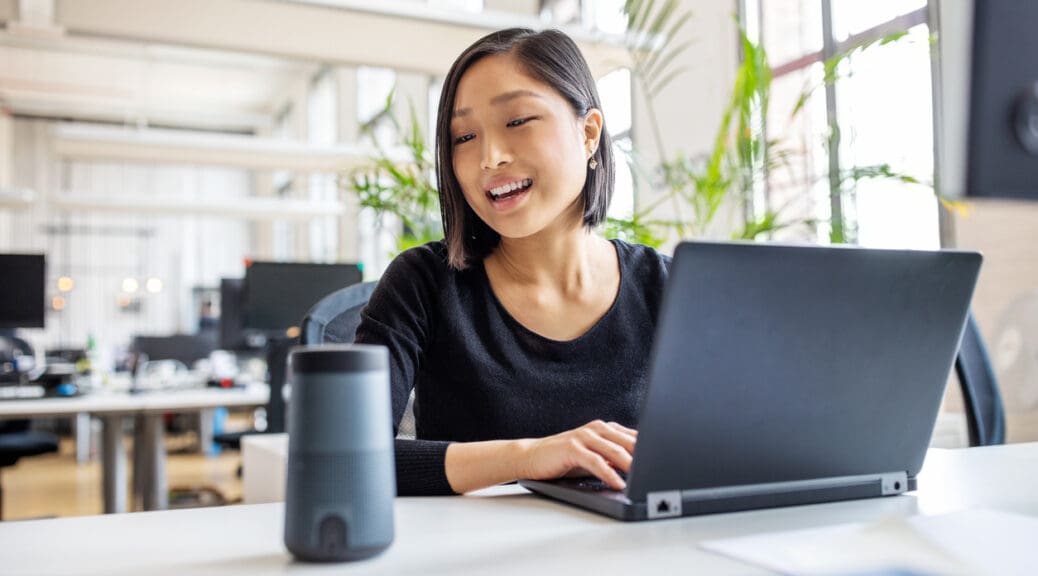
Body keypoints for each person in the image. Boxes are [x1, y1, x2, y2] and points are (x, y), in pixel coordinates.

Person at [354, 27, 671, 496]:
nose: (489, 157)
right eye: (464, 136)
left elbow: (739, 439)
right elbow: (347, 457)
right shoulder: (421, 284)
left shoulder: (667, 287)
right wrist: (529, 457)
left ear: (588, 133)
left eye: (518, 121)